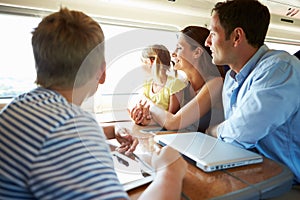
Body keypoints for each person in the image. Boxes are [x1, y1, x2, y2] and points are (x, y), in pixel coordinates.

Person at [0, 8, 187, 199]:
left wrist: (111, 131)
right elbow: (64, 135)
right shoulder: (67, 125)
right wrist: (170, 172)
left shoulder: (19, 105)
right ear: (102, 71)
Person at [205, 0, 300, 185]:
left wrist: (212, 130)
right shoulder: (232, 77)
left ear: (237, 37)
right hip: (253, 170)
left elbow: (237, 135)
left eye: (213, 33)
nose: (207, 42)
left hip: (289, 181)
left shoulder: (280, 68)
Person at [131, 26, 225, 132]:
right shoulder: (184, 86)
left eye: (179, 48)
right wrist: (146, 120)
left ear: (197, 53)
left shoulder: (216, 83)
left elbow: (173, 122)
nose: (173, 53)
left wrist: (147, 102)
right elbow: (169, 120)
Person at [140, 44, 186, 114]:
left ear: (151, 61)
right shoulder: (147, 83)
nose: (141, 65)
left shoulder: (174, 85)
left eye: (143, 61)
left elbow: (170, 118)